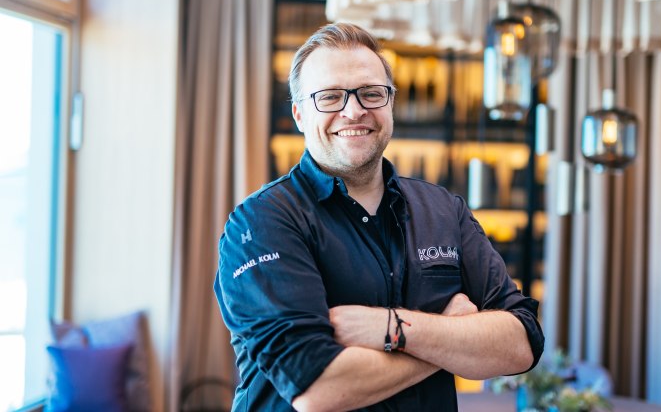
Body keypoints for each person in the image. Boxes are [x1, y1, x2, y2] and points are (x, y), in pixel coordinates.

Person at [214, 22, 544, 411]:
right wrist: (449, 338)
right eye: (330, 97)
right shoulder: (261, 222)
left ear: (390, 105)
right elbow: (319, 389)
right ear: (299, 114)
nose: (354, 111)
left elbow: (522, 342)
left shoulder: (444, 210)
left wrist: (390, 329)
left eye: (371, 94)